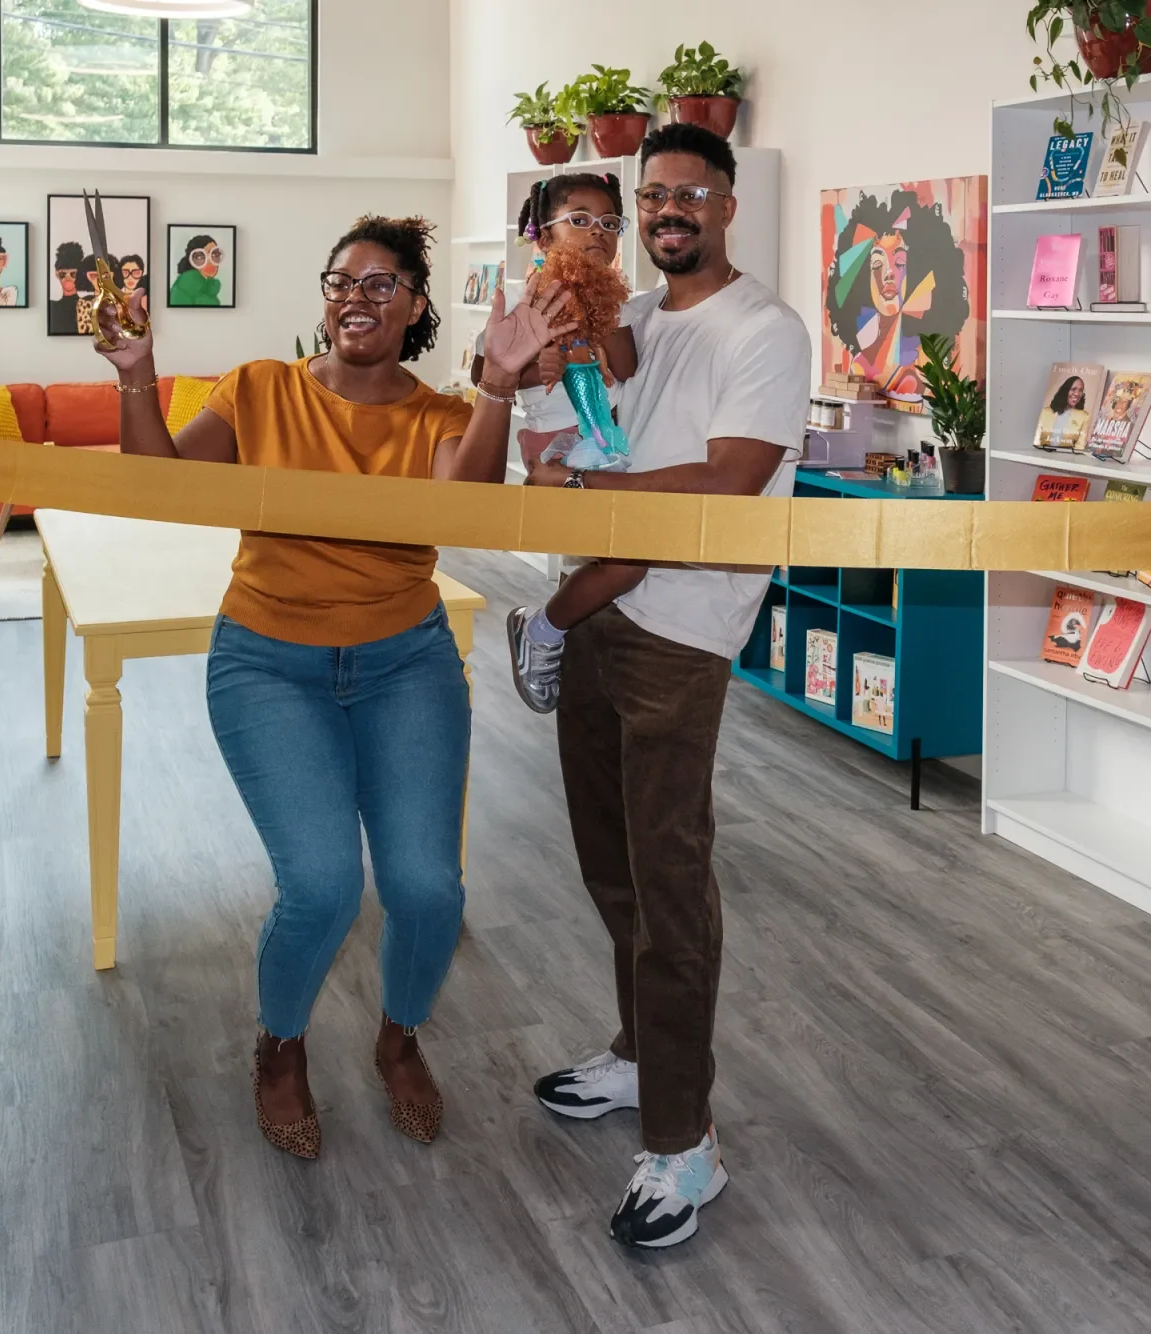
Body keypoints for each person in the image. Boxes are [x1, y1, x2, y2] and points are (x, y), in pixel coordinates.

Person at [89, 215, 569, 1160]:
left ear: (416, 307)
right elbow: (160, 487)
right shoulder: (260, 388)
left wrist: (496, 389)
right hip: (269, 661)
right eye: (342, 280)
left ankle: (400, 1038)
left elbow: (468, 512)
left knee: (428, 890)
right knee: (321, 887)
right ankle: (280, 1046)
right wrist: (136, 371)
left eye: (382, 284)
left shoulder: (439, 416)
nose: (357, 297)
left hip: (405, 663)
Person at [522, 123, 812, 1249]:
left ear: (728, 206)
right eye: (651, 196)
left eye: (690, 193)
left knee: (670, 882)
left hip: (682, 633)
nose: (667, 211)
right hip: (598, 607)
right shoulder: (638, 316)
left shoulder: (765, 329)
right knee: (611, 865)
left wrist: (586, 484)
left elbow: (731, 481)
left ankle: (684, 1142)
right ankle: (640, 1054)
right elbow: (568, 411)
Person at [483, 172, 649, 713]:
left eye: (610, 223)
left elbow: (626, 367)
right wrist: (539, 364)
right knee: (627, 562)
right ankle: (541, 629)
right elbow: (489, 370)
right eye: (579, 220)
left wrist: (601, 323)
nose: (597, 231)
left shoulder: (617, 302)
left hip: (604, 442)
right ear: (544, 233)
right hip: (557, 446)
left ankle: (555, 629)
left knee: (614, 560)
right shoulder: (527, 298)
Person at [168, 235, 224, 307]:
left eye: (215, 255)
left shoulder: (209, 289)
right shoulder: (182, 289)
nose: (210, 261)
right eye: (200, 257)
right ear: (191, 260)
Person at [47, 240, 85, 335]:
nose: (68, 279)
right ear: (56, 273)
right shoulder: (52, 307)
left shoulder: (86, 307)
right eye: (63, 274)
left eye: (73, 274)